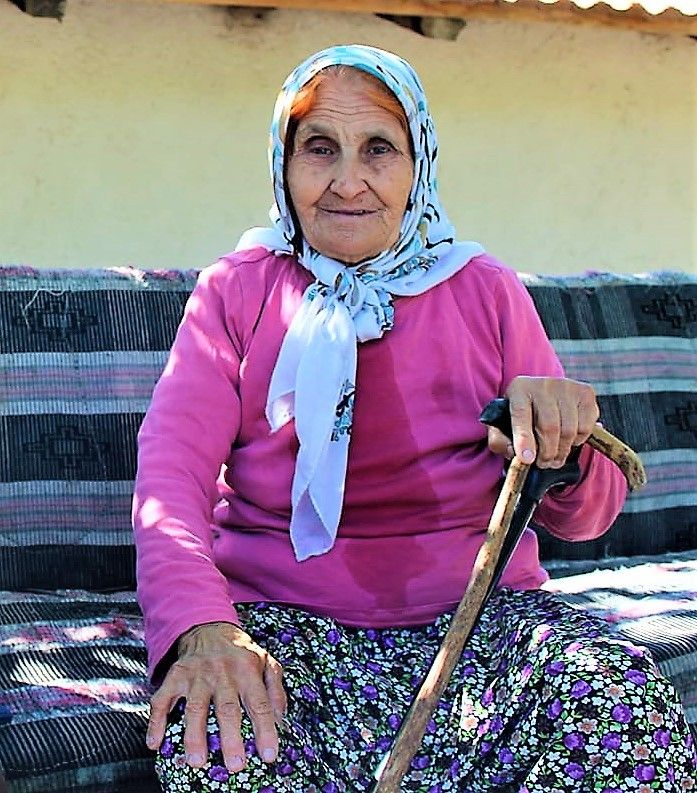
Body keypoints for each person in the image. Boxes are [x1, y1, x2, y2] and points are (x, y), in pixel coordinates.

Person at [133, 44, 695, 792]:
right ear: (283, 163)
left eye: (378, 149)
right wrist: (204, 630)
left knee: (621, 705)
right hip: (283, 627)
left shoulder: (486, 291)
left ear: (418, 163)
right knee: (217, 741)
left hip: (486, 623)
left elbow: (587, 517)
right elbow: (169, 482)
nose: (347, 182)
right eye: (319, 148)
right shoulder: (236, 292)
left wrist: (563, 443)